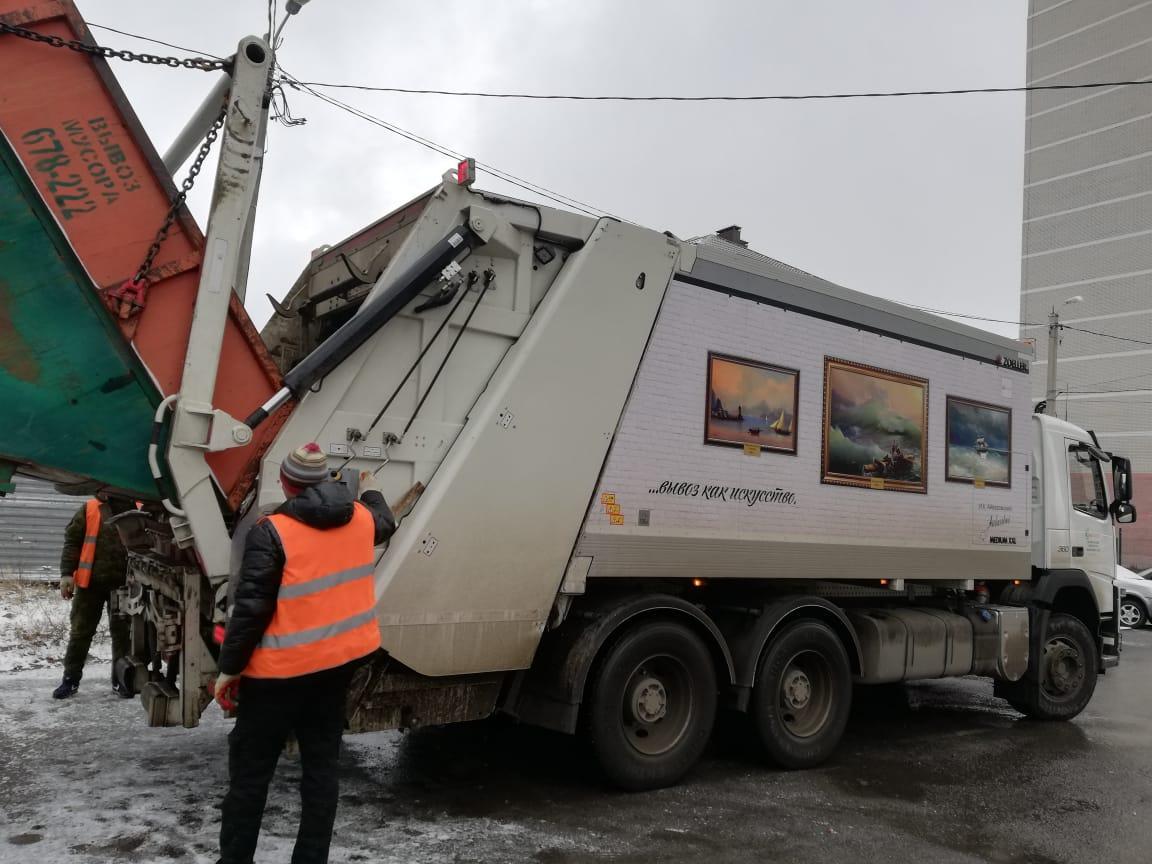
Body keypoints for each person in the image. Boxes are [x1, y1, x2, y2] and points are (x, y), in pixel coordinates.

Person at [215, 442, 395, 864]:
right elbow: (387, 518)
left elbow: (251, 610)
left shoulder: (272, 531)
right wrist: (369, 488)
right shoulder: (362, 520)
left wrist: (229, 669)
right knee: (321, 771)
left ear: (285, 482)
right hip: (336, 669)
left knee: (250, 776)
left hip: (278, 676)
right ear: (328, 479)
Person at [53, 494, 132, 699]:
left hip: (124, 585)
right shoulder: (89, 509)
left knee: (123, 635)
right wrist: (66, 574)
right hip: (90, 585)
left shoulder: (138, 507)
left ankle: (121, 681)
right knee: (80, 632)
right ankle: (69, 681)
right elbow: (72, 542)